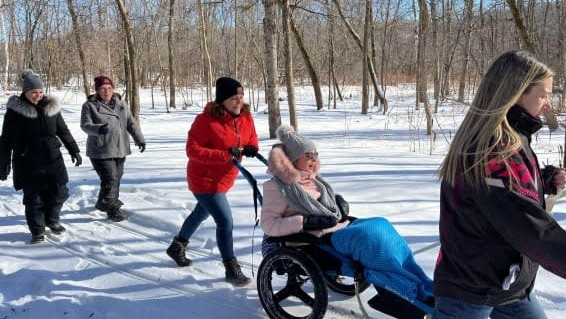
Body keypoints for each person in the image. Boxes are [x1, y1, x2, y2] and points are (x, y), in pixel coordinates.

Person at [434, 50, 566, 319]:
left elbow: (500, 200)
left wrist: (539, 183)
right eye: (542, 95)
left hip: (509, 286)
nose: (548, 105)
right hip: (469, 292)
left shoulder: (513, 136)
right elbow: (538, 236)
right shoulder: (493, 153)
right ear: (515, 94)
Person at [261, 125, 434, 317]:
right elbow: (268, 225)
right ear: (293, 159)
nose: (313, 159)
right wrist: (304, 221)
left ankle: (424, 286)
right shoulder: (277, 188)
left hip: (335, 229)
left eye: (315, 154)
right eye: (307, 155)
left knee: (380, 225)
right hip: (315, 239)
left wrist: (338, 207)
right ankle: (412, 295)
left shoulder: (315, 180)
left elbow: (326, 208)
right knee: (371, 240)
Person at [166, 76, 258, 287]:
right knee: (225, 222)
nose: (239, 101)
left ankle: (177, 246)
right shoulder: (205, 120)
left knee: (200, 213)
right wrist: (225, 154)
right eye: (234, 98)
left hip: (225, 179)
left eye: (241, 96)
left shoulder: (245, 117)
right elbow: (193, 150)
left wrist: (252, 147)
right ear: (222, 100)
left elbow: (251, 137)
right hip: (204, 180)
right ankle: (230, 267)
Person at [0, 69, 82, 244]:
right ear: (25, 92)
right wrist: (3, 163)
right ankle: (37, 231)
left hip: (53, 158)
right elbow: (5, 140)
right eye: (33, 92)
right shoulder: (15, 112)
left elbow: (63, 130)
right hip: (27, 161)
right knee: (34, 198)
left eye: (40, 92)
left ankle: (51, 219)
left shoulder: (51, 108)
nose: (37, 95)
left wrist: (74, 149)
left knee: (60, 192)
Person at [80, 75, 146, 222]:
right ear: (97, 90)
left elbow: (131, 123)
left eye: (109, 88)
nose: (107, 91)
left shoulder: (121, 104)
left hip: (120, 147)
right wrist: (98, 129)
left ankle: (101, 202)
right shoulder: (89, 106)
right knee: (111, 178)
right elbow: (85, 125)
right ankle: (112, 208)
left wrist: (139, 139)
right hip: (100, 150)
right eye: (103, 89)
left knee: (116, 178)